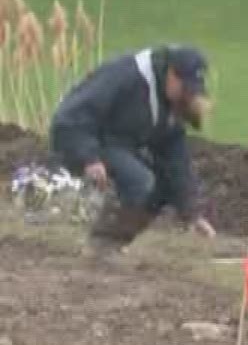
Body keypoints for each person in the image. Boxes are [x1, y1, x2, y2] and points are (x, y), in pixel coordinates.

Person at [49, 43, 217, 258]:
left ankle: (109, 244)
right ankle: (100, 244)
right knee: (140, 180)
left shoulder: (170, 105)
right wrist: (88, 157)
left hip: (116, 146)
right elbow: (70, 116)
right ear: (171, 75)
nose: (189, 96)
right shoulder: (125, 76)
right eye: (186, 88)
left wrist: (191, 212)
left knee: (162, 183)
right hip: (83, 140)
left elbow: (176, 160)